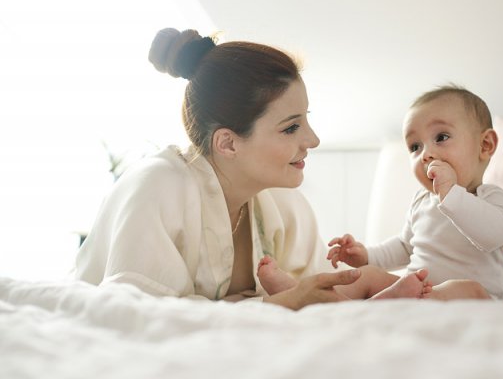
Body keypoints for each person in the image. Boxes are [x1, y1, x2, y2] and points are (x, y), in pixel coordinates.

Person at [75, 27, 366, 310]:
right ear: (227, 143)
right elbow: (135, 313)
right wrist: (278, 303)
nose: (313, 140)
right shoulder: (156, 187)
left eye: (306, 119)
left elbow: (321, 292)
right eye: (291, 128)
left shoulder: (283, 204)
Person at [258, 85, 503, 300]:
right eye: (415, 146)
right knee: (369, 276)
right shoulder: (422, 202)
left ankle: (387, 303)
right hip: (413, 288)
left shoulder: (491, 198)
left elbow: (490, 235)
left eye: (442, 137)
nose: (426, 154)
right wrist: (365, 255)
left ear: (485, 145)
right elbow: (404, 247)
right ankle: (305, 294)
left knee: (468, 289)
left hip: (472, 299)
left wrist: (451, 194)